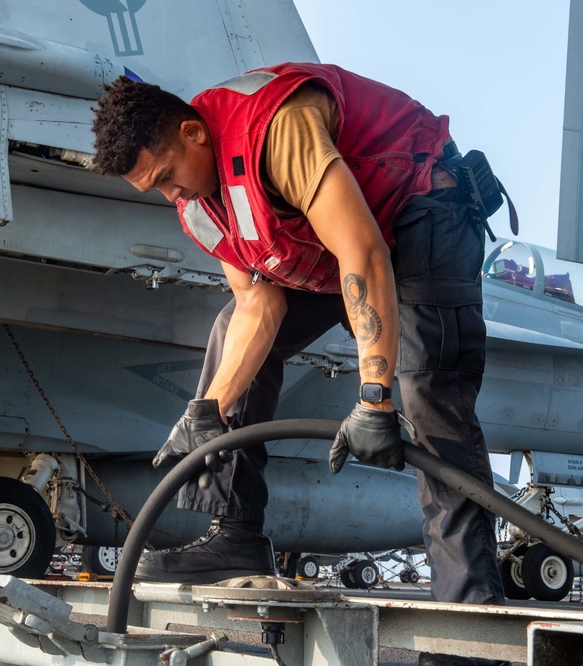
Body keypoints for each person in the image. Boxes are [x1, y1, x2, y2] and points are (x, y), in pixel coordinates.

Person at [92, 63, 505, 624]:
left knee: (428, 389)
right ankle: (234, 533)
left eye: (168, 175)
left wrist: (374, 398)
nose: (172, 196)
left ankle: (469, 616)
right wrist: (205, 411)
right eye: (156, 189)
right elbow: (258, 305)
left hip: (419, 208)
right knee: (229, 339)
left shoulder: (277, 128)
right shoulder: (198, 205)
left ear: (193, 131)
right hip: (341, 250)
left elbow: (364, 253)